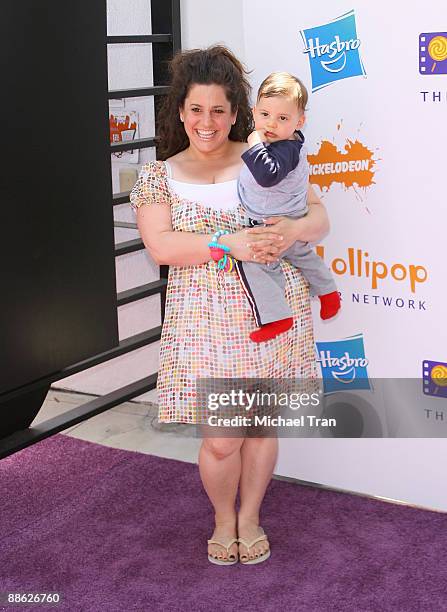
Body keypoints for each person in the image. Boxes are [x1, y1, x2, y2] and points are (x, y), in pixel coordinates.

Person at [130, 46, 330, 566]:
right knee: (222, 441)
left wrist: (294, 228)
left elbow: (318, 218)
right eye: (196, 110)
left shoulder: (268, 157)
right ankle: (223, 518)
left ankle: (250, 517)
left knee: (260, 428)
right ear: (180, 112)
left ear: (237, 112)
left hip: (274, 310)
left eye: (219, 110)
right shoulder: (158, 176)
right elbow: (162, 247)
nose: (207, 122)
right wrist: (229, 244)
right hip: (204, 322)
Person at [236, 72, 340, 343]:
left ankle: (279, 316)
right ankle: (328, 294)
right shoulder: (277, 144)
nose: (271, 124)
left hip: (277, 222)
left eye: (282, 118)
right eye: (265, 114)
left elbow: (267, 175)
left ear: (299, 122)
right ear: (253, 112)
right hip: (274, 220)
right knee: (301, 256)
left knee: (256, 264)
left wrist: (254, 143)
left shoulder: (287, 148)